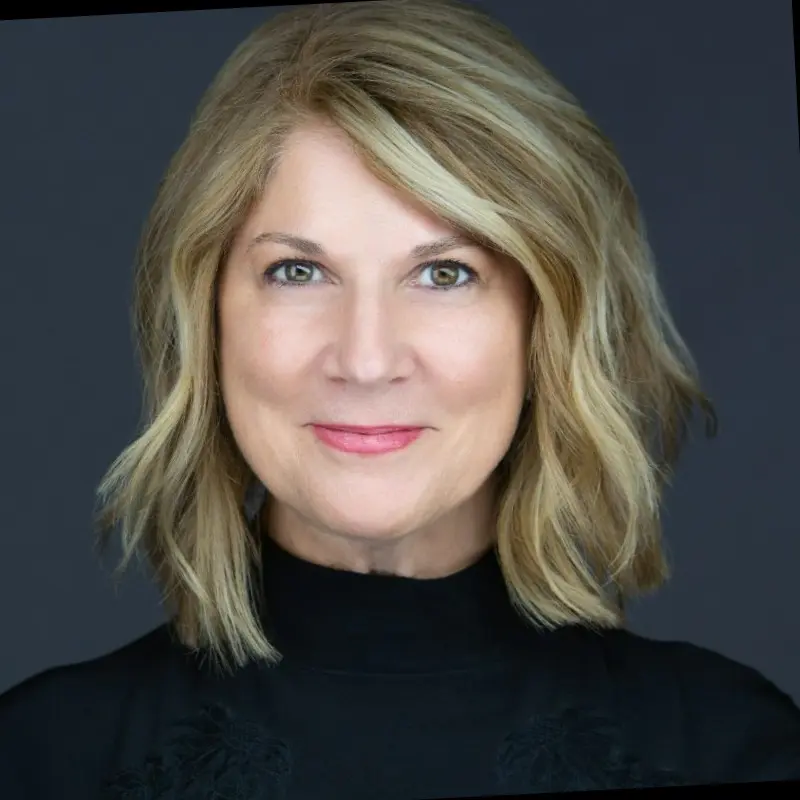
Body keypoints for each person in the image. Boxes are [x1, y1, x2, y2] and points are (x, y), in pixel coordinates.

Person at [1, 0, 798, 797]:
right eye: (298, 272)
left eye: (445, 274)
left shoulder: (734, 750)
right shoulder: (40, 760)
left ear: (547, 323)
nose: (367, 359)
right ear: (207, 317)